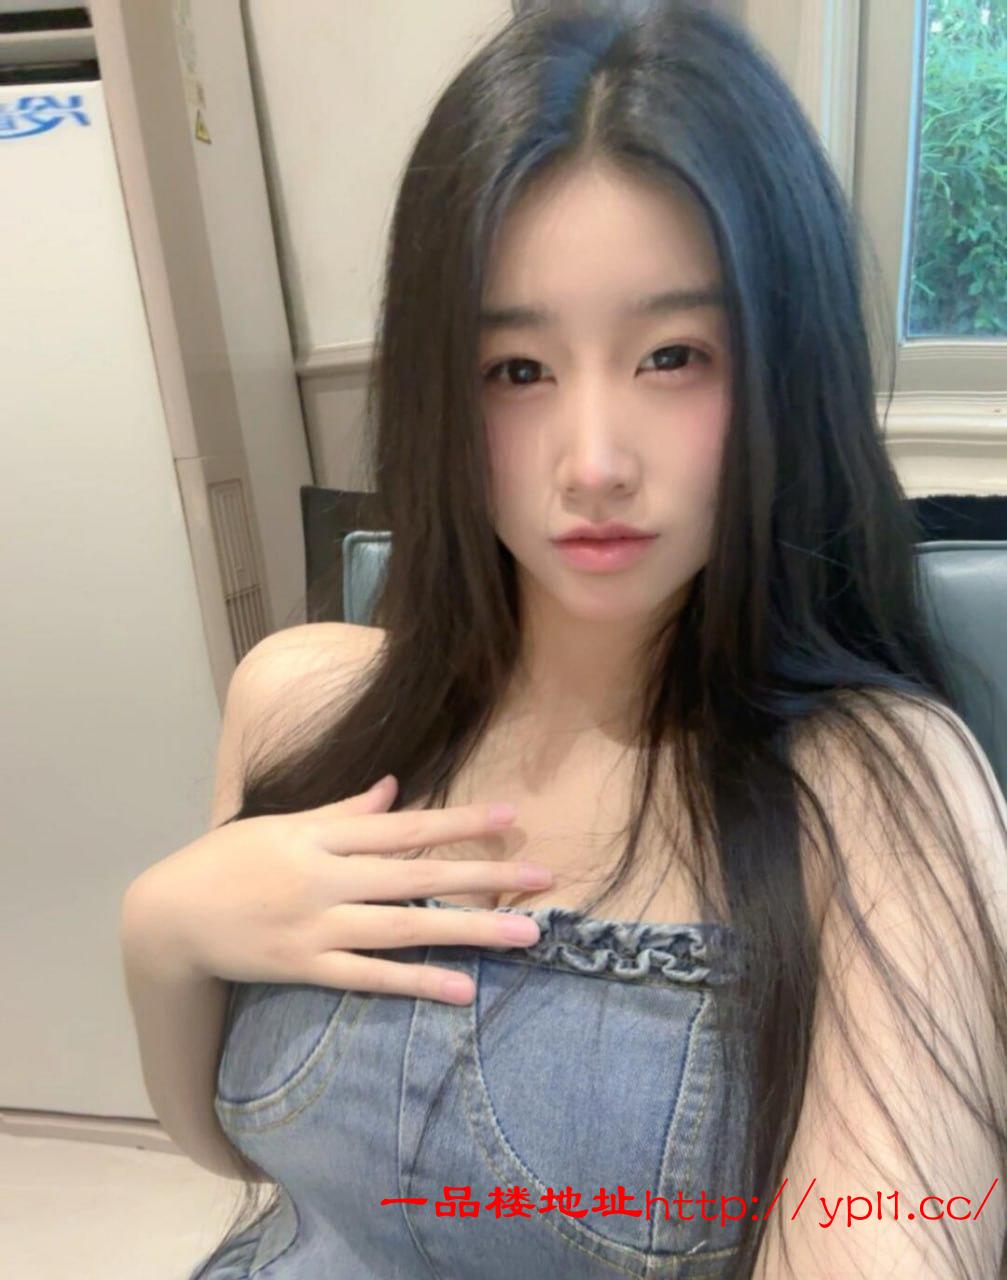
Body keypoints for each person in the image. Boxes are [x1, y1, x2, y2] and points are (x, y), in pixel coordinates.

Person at [119, 1, 1007, 1276]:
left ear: (785, 367)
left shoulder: (875, 794)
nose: (592, 463)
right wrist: (161, 933)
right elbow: (243, 1156)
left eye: (673, 355)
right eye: (517, 371)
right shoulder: (298, 700)